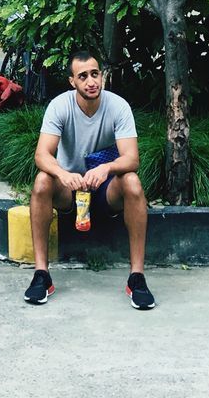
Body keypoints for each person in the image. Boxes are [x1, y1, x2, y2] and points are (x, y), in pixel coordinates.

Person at [23, 49, 156, 310]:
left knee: (132, 182)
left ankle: (137, 277)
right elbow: (42, 155)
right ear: (73, 82)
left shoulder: (118, 106)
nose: (91, 81)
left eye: (95, 74)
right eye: (82, 76)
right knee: (41, 181)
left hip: (105, 189)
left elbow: (132, 159)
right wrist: (63, 174)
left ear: (102, 76)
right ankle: (42, 275)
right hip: (69, 190)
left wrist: (107, 168)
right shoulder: (60, 106)